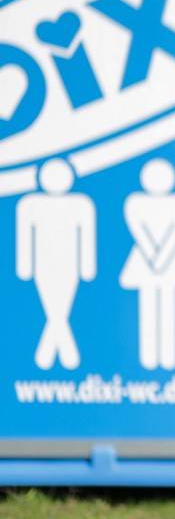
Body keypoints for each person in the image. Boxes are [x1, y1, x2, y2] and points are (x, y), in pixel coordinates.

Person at [16, 158, 96, 371]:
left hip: (70, 263)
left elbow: (86, 237)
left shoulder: (81, 204)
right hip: (42, 264)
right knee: (55, 308)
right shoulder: (29, 204)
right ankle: (64, 354)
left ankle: (50, 355)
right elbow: (25, 237)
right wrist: (25, 267)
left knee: (59, 308)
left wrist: (87, 267)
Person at [120, 157, 175, 371]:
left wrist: (159, 260)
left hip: (166, 263)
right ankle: (149, 359)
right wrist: (156, 259)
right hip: (149, 262)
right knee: (147, 308)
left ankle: (167, 357)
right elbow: (139, 232)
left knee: (167, 308)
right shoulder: (135, 202)